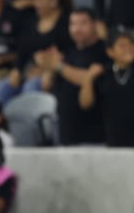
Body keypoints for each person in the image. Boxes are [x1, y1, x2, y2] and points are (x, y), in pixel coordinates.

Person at [37, 8, 107, 145]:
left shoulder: (104, 51)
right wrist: (49, 67)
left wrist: (59, 66)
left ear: (95, 25)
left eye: (82, 23)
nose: (77, 29)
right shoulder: (69, 53)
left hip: (94, 130)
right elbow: (46, 86)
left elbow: (86, 77)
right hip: (67, 129)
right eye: (73, 24)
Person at [79, 28, 134, 147]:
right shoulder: (103, 73)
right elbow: (86, 103)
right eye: (122, 46)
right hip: (112, 139)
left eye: (131, 44)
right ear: (110, 52)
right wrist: (88, 78)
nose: (128, 49)